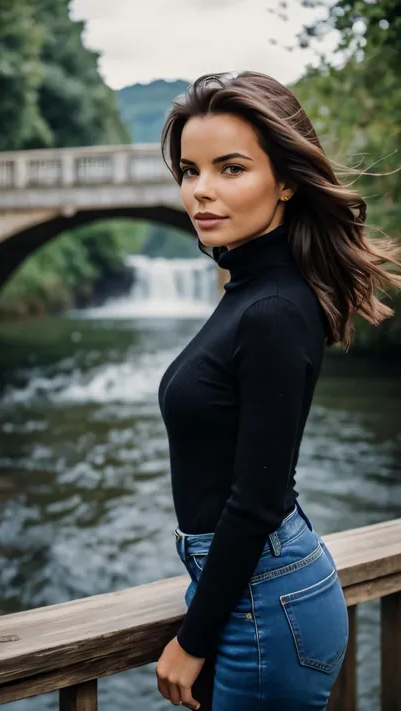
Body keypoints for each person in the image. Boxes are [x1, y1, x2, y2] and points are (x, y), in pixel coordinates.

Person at [154, 71, 401, 711]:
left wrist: (194, 635)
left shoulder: (271, 310)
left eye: (230, 168)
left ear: (286, 180)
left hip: (263, 598)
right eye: (189, 170)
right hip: (245, 587)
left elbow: (258, 495)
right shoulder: (252, 292)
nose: (201, 191)